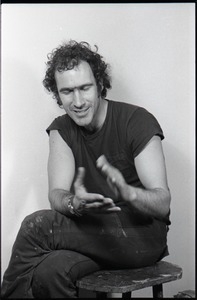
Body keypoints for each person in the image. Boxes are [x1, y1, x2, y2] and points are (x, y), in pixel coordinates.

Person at [1, 40, 171, 298]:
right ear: (57, 94)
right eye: (67, 91)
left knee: (37, 226)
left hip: (142, 236)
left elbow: (163, 204)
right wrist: (74, 203)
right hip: (95, 234)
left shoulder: (136, 120)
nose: (78, 101)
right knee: (52, 269)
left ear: (100, 84)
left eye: (85, 88)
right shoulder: (61, 129)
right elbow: (56, 194)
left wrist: (127, 192)